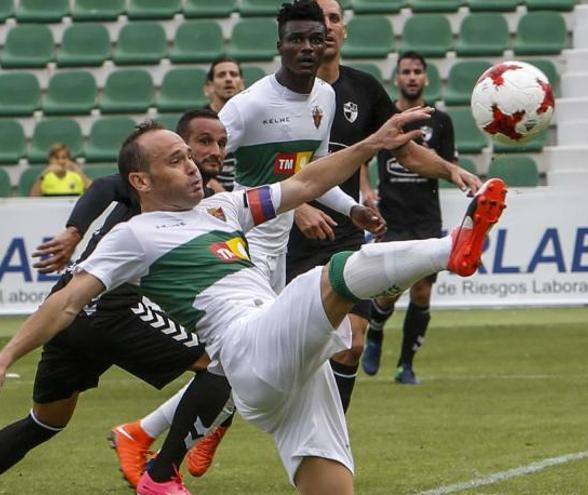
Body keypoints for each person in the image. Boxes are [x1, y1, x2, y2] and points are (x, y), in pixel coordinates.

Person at [0, 111, 507, 495]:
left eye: (189, 155)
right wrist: (6, 355)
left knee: (329, 478)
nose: (194, 166)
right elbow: (65, 304)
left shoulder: (223, 207)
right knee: (323, 281)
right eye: (175, 160)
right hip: (244, 347)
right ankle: (451, 247)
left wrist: (374, 142)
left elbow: (307, 182)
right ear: (141, 181)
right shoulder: (135, 235)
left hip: (286, 365)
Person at [0, 111, 235, 484]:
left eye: (220, 144)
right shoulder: (151, 185)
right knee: (223, 363)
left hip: (76, 313)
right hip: (110, 306)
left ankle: (156, 448)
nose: (212, 152)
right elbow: (103, 188)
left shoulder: (203, 198)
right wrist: (75, 230)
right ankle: (160, 473)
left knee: (46, 422)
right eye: (200, 144)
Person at [286, 0, 482, 409]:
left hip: (344, 235)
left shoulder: (365, 90)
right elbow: (261, 169)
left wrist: (450, 171)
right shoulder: (280, 95)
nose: (327, 27)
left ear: (343, 31)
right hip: (287, 238)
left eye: (335, 19)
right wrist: (295, 206)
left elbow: (406, 153)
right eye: (319, 20)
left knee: (351, 345)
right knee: (288, 352)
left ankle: (330, 442)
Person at [360, 51, 458, 384]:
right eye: (406, 71)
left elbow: (447, 167)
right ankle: (375, 330)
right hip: (393, 215)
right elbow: (360, 155)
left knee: (421, 294)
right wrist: (367, 190)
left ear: (426, 78)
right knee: (390, 290)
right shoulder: (386, 118)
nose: (412, 76)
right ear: (397, 78)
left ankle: (406, 365)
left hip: (426, 218)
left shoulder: (441, 121)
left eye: (418, 71)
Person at [203, 56, 245, 192]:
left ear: (242, 84)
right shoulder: (198, 122)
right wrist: (227, 199)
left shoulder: (253, 118)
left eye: (234, 74)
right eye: (221, 75)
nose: (228, 79)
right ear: (208, 87)